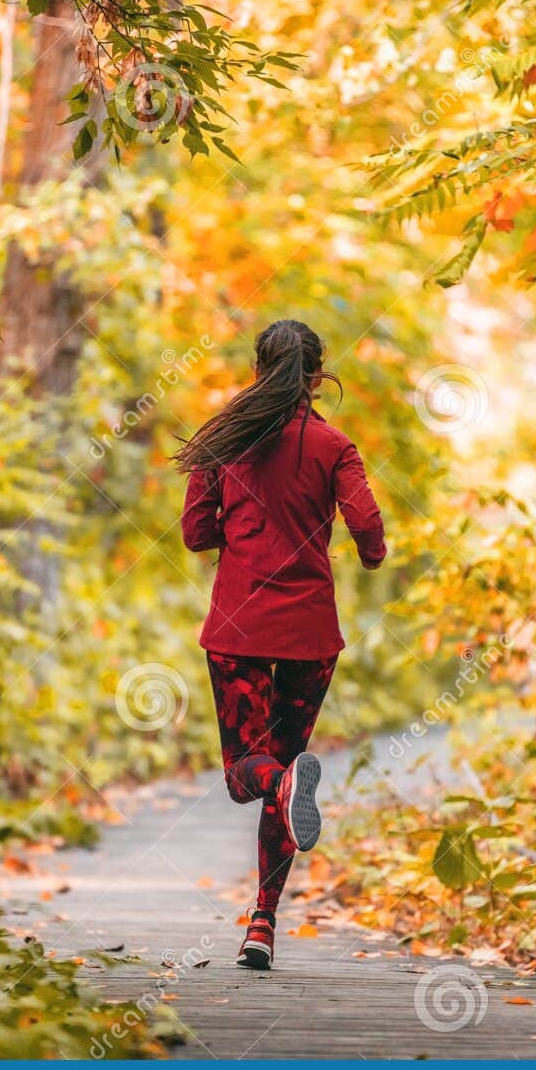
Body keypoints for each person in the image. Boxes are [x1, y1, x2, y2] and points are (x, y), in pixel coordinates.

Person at [175, 319, 387, 970]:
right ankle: (262, 922)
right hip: (308, 632)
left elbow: (193, 533)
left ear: (258, 368)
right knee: (285, 770)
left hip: (239, 627)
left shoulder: (223, 441)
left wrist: (235, 534)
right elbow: (369, 526)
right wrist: (369, 554)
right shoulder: (335, 445)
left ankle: (284, 780)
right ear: (317, 375)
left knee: (248, 775)